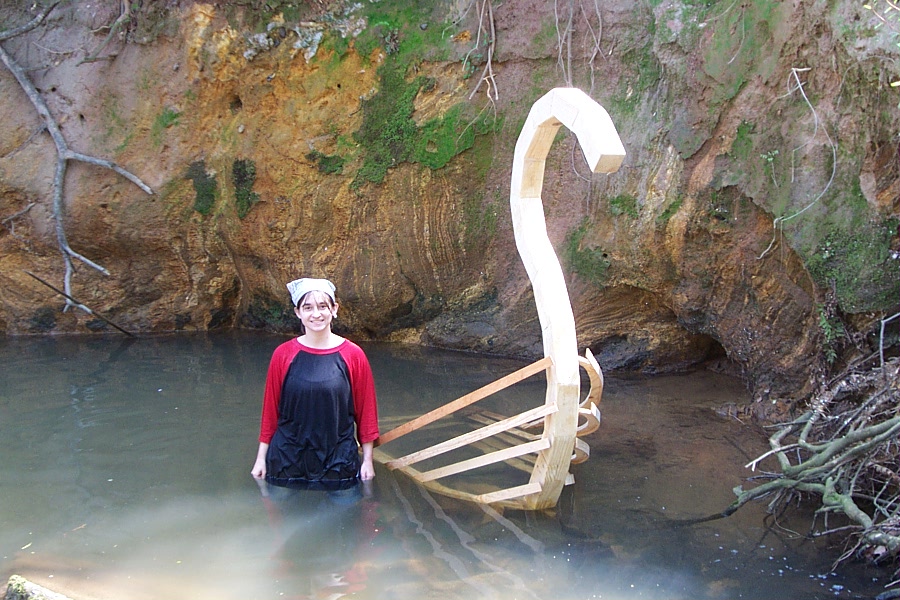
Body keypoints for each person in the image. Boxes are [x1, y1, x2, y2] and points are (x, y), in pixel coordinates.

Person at [251, 277, 379, 490]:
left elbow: (366, 411)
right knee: (282, 514)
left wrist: (367, 460)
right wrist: (261, 458)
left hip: (338, 457)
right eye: (308, 307)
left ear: (334, 309)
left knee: (346, 509)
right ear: (298, 313)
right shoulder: (283, 355)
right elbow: (270, 411)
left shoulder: (353, 355)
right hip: (288, 456)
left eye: (322, 306)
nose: (316, 314)